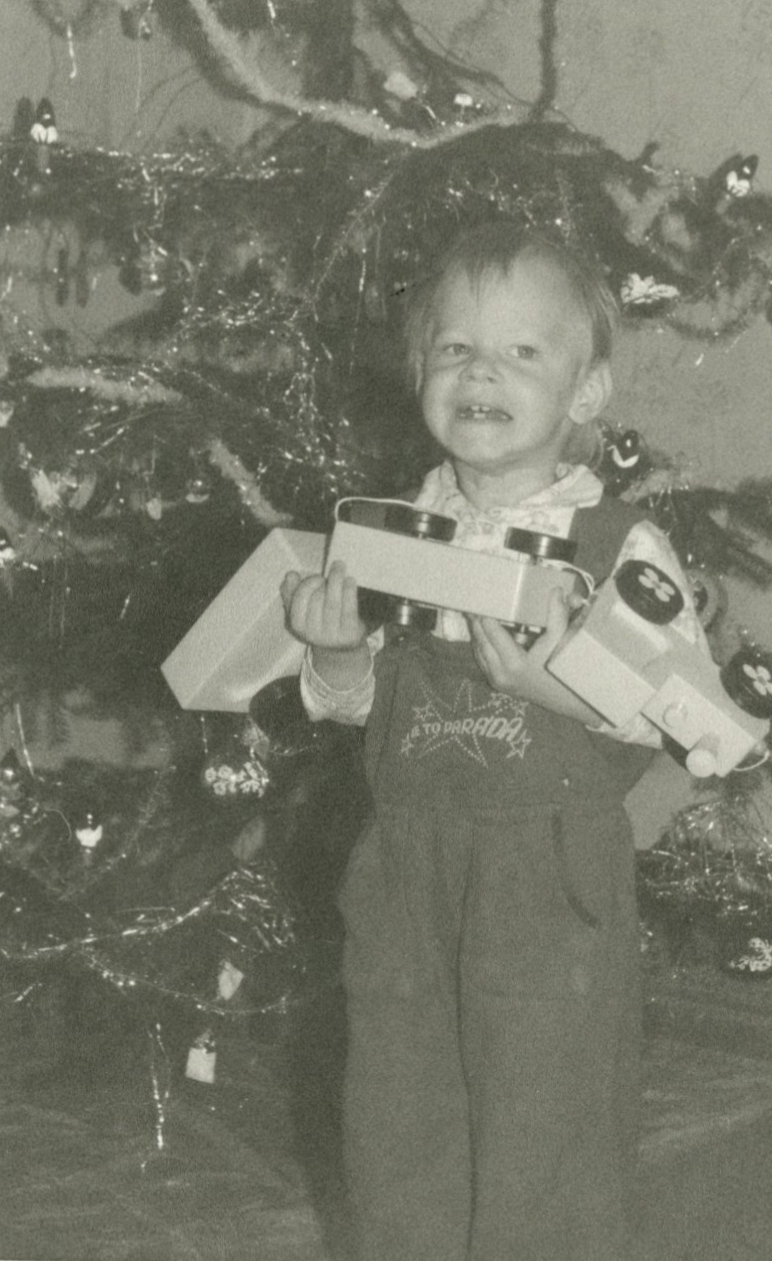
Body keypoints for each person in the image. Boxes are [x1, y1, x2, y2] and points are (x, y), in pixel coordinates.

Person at [280, 222, 706, 1261]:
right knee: (398, 1117)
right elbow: (360, 707)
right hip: (406, 865)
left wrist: (552, 686)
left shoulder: (618, 544)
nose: (481, 371)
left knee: (544, 1124)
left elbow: (681, 713)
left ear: (586, 393)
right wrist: (336, 654)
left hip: (546, 877)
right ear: (421, 373)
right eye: (456, 347)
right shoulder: (390, 533)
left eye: (523, 351)